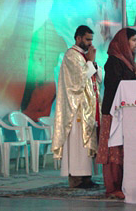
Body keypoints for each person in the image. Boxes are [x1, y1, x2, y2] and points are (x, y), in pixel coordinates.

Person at [52, 25, 102, 188]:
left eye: (91, 40)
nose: (90, 43)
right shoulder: (71, 55)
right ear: (78, 38)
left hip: (86, 106)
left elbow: (97, 78)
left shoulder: (83, 56)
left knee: (85, 142)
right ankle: (76, 178)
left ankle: (86, 176)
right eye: (87, 39)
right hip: (76, 108)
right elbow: (78, 79)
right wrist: (90, 61)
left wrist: (92, 62)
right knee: (77, 142)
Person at [96, 28, 136, 199]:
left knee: (121, 149)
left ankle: (121, 183)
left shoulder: (126, 61)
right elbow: (116, 86)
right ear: (123, 42)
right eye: (133, 40)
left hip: (123, 111)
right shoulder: (114, 61)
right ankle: (112, 186)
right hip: (113, 112)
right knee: (113, 149)